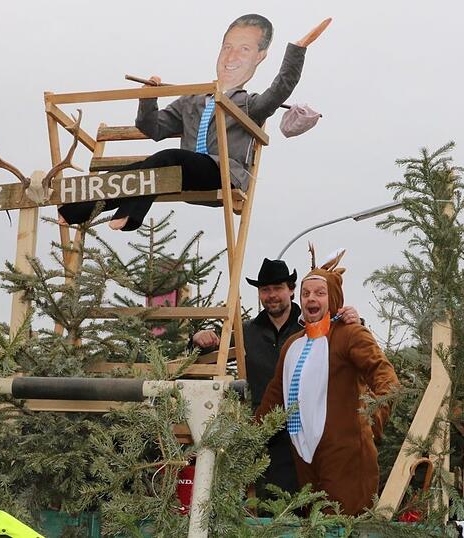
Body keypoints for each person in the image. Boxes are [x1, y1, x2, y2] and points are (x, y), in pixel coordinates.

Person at [58, 14, 332, 231]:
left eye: (244, 49)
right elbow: (152, 128)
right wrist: (149, 97)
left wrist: (298, 49)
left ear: (259, 57)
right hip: (184, 171)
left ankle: (131, 214)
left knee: (167, 157)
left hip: (222, 173)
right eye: (228, 48)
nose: (232, 56)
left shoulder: (249, 104)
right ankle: (73, 212)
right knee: (136, 168)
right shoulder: (192, 100)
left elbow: (280, 88)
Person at [191, 258, 360, 496]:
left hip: (313, 429)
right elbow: (207, 354)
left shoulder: (317, 324)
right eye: (265, 290)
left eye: (278, 288)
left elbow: (352, 347)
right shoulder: (245, 333)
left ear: (291, 290)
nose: (272, 295)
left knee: (319, 502)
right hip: (268, 436)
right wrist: (198, 340)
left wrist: (356, 321)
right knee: (271, 506)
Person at [254, 249, 399, 515]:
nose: (311, 298)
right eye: (306, 293)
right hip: (306, 458)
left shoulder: (350, 334)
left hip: (347, 455)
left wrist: (372, 421)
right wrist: (248, 439)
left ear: (331, 298)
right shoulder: (292, 345)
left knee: (341, 524)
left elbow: (385, 378)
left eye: (319, 293)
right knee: (316, 526)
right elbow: (274, 399)